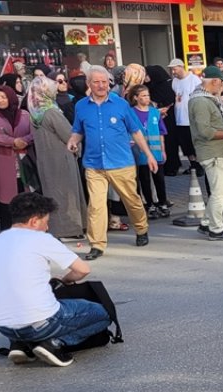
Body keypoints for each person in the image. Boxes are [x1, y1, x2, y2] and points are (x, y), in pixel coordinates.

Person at [0, 192, 110, 367]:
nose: (47, 227)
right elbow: (83, 270)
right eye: (46, 222)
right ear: (34, 221)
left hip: (4, 326)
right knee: (102, 314)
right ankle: (53, 343)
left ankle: (20, 344)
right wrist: (65, 280)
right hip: (42, 322)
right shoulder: (40, 238)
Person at [66, 66, 158, 260]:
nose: (101, 85)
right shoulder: (81, 105)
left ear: (109, 83)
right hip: (94, 164)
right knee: (96, 207)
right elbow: (78, 130)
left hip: (121, 163)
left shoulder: (121, 104)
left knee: (132, 200)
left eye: (104, 82)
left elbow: (136, 131)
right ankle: (97, 245)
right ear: (89, 84)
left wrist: (148, 155)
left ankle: (141, 229)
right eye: (96, 82)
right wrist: (73, 141)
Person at [27, 77, 85, 238]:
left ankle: (55, 227)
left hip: (45, 159)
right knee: (67, 194)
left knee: (52, 192)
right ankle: (70, 229)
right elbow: (69, 135)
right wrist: (78, 148)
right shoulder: (52, 112)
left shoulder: (34, 112)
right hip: (61, 157)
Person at [189, 66, 223, 240]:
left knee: (221, 192)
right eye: (222, 82)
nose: (222, 86)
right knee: (220, 193)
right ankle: (216, 229)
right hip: (213, 152)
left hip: (218, 150)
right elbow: (204, 130)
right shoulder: (201, 101)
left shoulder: (207, 99)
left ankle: (205, 223)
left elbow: (215, 122)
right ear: (215, 81)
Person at [0, 84, 33, 232]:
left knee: (24, 193)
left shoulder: (24, 114)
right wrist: (13, 142)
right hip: (3, 161)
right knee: (6, 197)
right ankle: (7, 230)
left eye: (3, 97)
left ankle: (27, 229)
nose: (0, 100)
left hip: (23, 159)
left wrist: (24, 141)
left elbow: (33, 133)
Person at [126, 84, 170, 218]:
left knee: (159, 178)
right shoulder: (131, 113)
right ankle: (149, 204)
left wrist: (163, 150)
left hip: (156, 151)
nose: (147, 98)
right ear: (136, 98)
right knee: (144, 179)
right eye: (143, 96)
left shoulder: (155, 112)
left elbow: (161, 132)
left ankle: (162, 203)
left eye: (148, 95)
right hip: (140, 151)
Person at [167, 58, 201, 176]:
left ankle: (199, 165)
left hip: (190, 117)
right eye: (172, 70)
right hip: (179, 118)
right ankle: (193, 165)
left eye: (174, 69)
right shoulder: (174, 82)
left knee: (193, 144)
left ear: (181, 67)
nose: (173, 72)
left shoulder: (194, 80)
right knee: (185, 145)